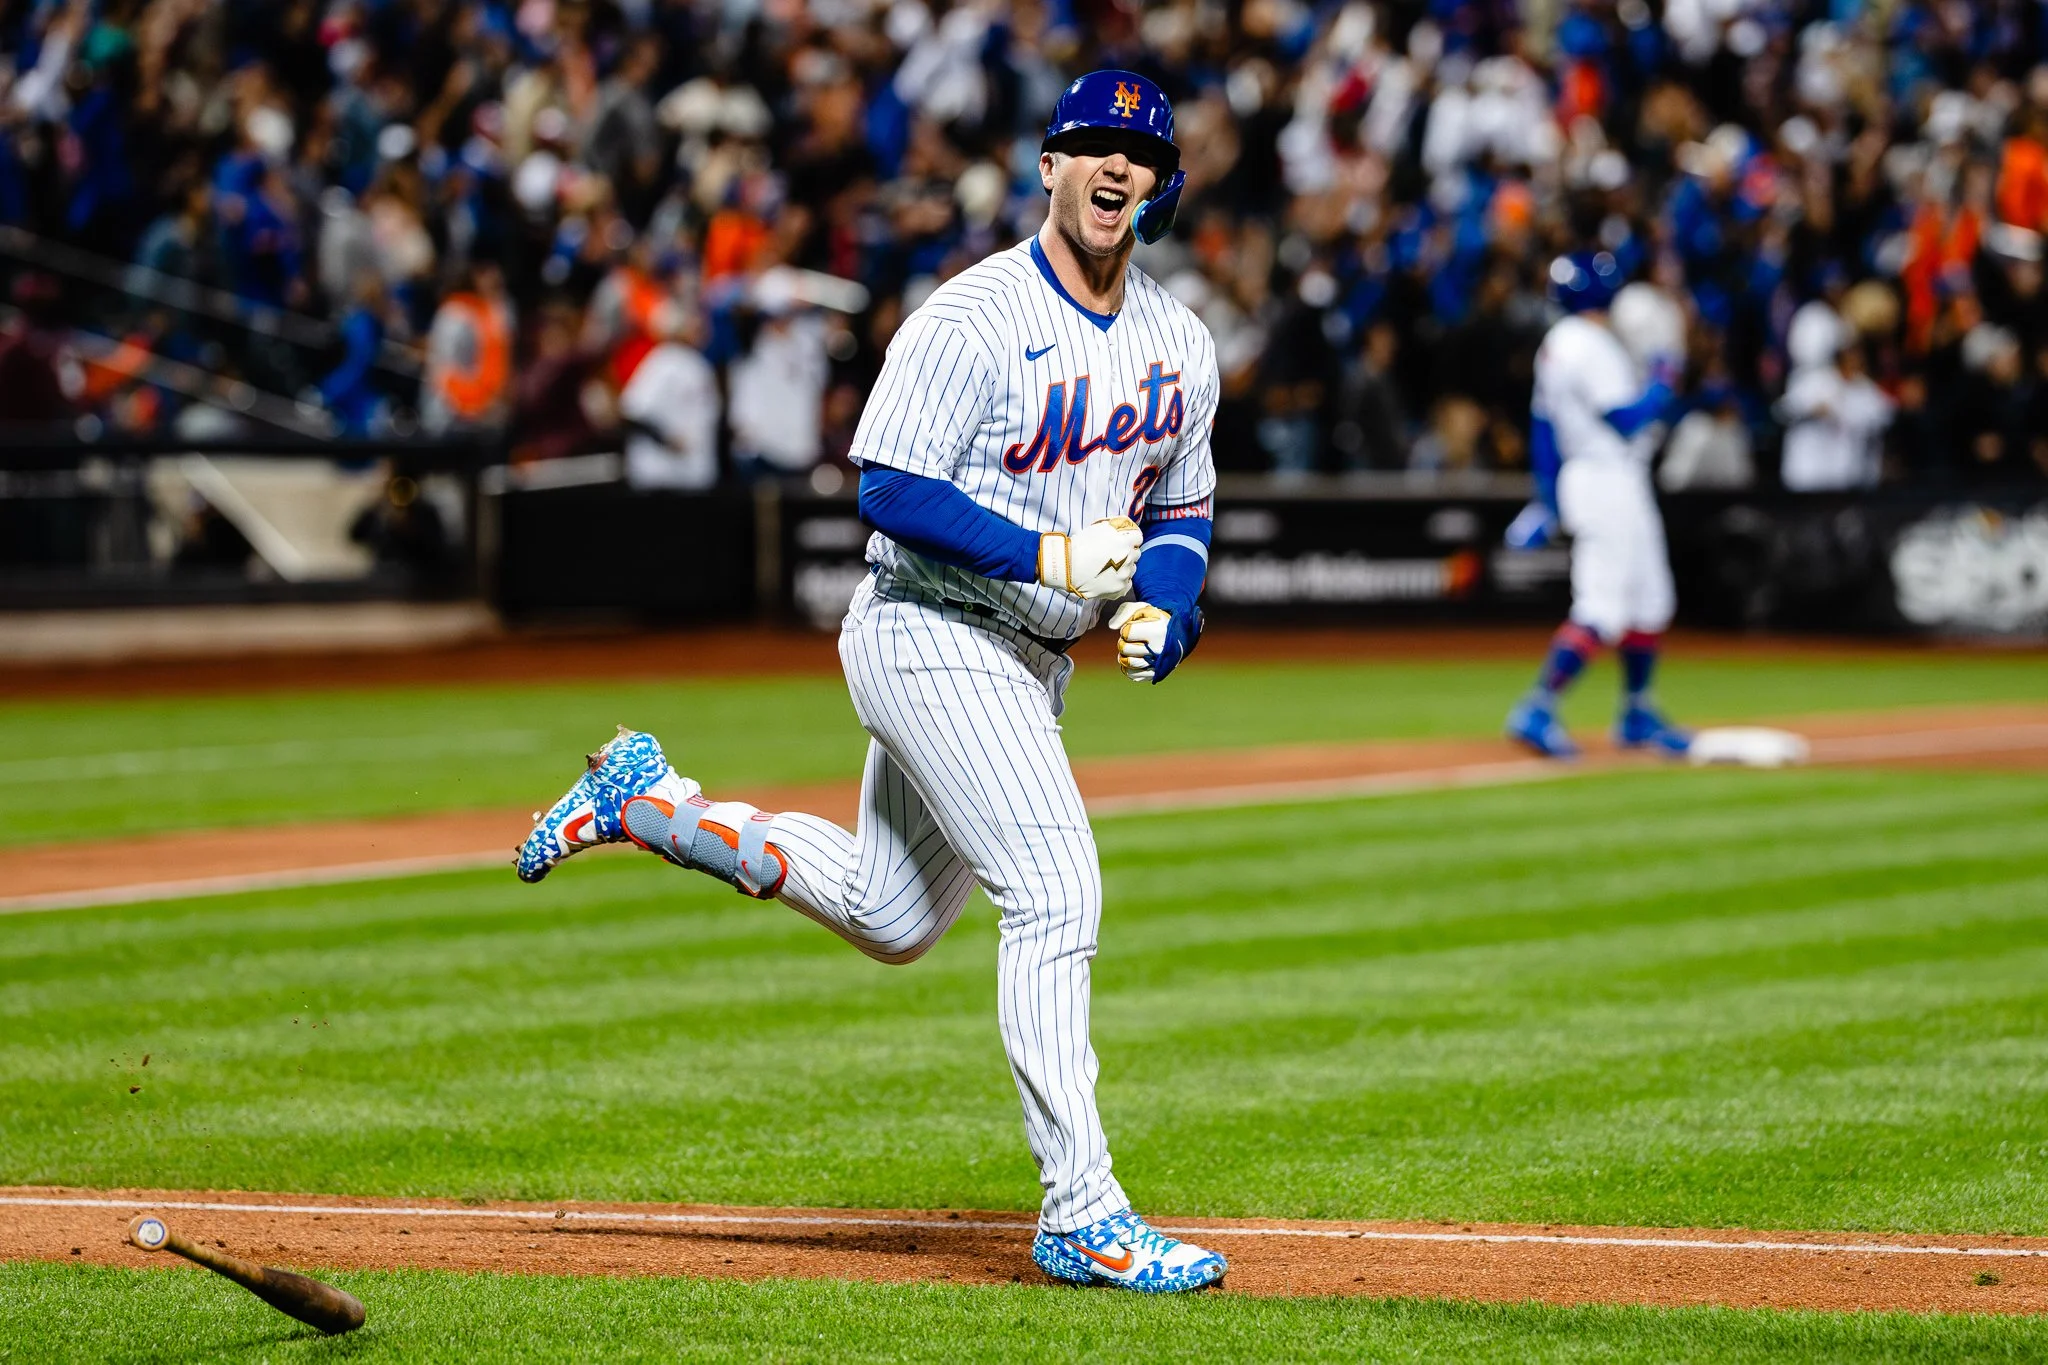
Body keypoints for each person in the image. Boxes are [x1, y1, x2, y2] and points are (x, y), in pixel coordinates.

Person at [513, 70, 1228, 1294]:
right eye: (1091, 146)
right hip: (927, 627)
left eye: (1139, 154)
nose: (1115, 168)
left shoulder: (1177, 340)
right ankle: (1081, 1210)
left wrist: (1169, 602)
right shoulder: (973, 316)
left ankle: (650, 805)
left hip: (1024, 657)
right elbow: (888, 485)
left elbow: (1181, 504)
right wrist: (1048, 553)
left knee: (893, 917)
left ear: (1162, 185)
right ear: (1046, 166)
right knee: (1057, 892)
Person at [1503, 251, 1690, 759]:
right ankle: (1538, 707)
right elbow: (1625, 419)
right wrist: (1663, 382)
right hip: (1605, 478)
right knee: (1603, 607)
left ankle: (1637, 712)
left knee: (1650, 599)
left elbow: (1542, 430)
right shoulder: (1589, 344)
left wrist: (1547, 498)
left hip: (1603, 476)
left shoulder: (1558, 344)